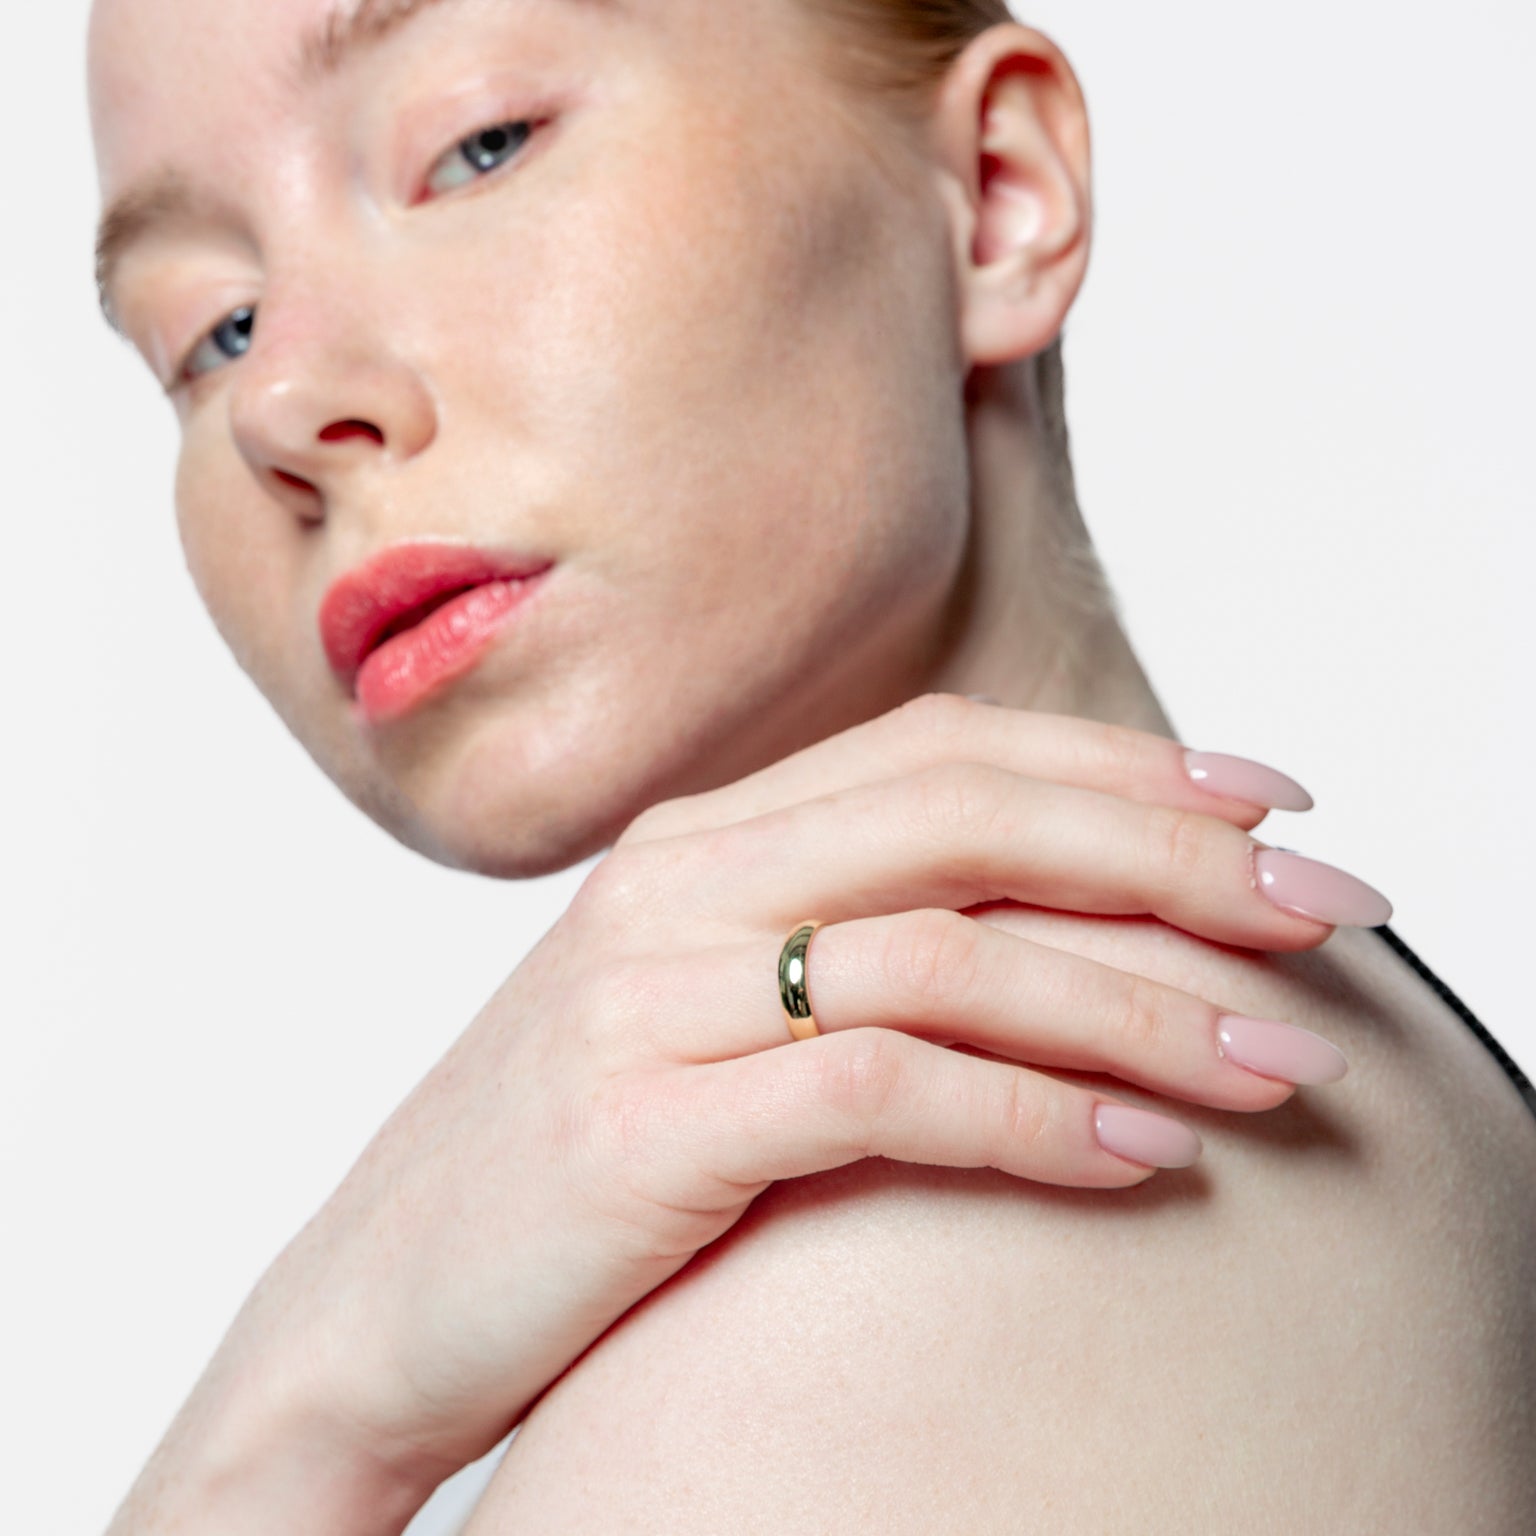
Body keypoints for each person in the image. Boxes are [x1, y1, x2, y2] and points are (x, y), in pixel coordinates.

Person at [87, 0, 1536, 1530]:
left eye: (478, 145)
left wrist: (296, 1419)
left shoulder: (909, 1257)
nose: (278, 405)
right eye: (213, 327)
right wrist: (317, 1368)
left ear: (996, 190)